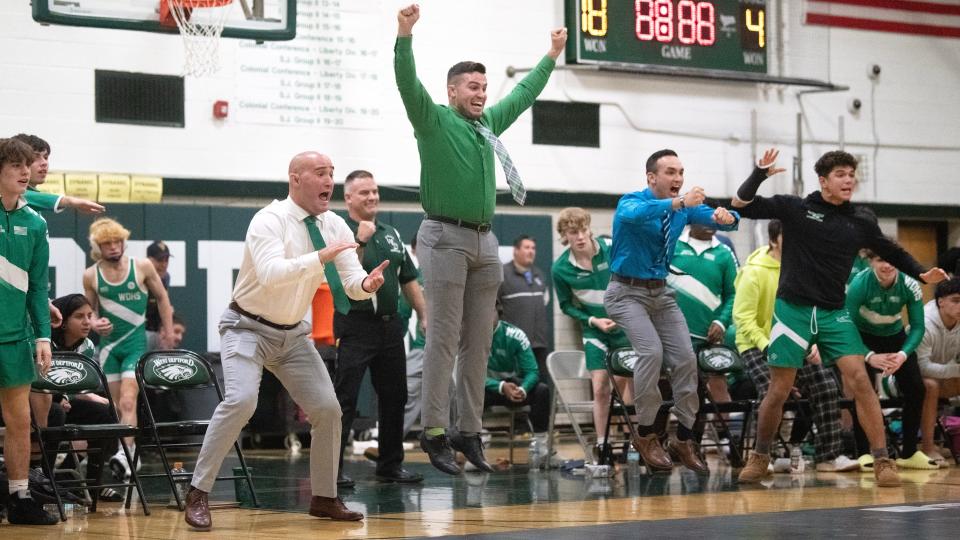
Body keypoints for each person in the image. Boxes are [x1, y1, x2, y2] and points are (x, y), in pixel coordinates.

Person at [394, 3, 567, 475]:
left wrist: (551, 55)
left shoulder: (487, 124)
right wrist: (404, 36)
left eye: (485, 87)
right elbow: (406, 83)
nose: (481, 93)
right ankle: (433, 431)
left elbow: (524, 94)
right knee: (443, 340)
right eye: (473, 86)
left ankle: (467, 431)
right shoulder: (432, 119)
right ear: (452, 91)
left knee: (480, 343)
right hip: (444, 237)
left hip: (485, 242)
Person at [183, 151, 390, 530]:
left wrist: (366, 284)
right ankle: (198, 492)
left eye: (332, 174)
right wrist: (318, 258)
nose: (329, 181)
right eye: (320, 173)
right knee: (241, 401)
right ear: (295, 178)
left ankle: (324, 497)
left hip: (293, 335)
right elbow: (271, 273)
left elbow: (350, 281)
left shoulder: (336, 226)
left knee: (328, 409)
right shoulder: (269, 219)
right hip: (247, 326)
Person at [732, 148, 947, 487]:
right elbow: (740, 205)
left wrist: (921, 273)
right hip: (793, 310)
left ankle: (882, 461)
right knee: (780, 388)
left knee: (860, 381)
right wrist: (758, 174)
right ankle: (760, 455)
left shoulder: (860, 220)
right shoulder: (796, 208)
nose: (848, 180)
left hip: (834, 312)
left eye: (851, 174)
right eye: (841, 175)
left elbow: (890, 250)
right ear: (823, 181)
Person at [603, 149, 739, 474]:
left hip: (660, 293)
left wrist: (727, 218)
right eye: (670, 172)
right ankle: (647, 434)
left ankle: (684, 436)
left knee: (686, 361)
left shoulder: (684, 210)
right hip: (625, 293)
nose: (678, 178)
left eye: (681, 172)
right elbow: (638, 216)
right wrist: (681, 203)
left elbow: (726, 222)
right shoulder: (631, 202)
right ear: (652, 177)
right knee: (650, 352)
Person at [733, 219, 858, 473]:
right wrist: (767, 345)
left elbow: (811, 311)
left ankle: (828, 456)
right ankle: (762, 456)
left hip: (796, 340)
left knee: (825, 385)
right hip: (757, 344)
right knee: (772, 389)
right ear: (774, 239)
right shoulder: (753, 271)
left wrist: (813, 341)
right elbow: (743, 318)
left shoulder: (804, 269)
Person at [334, 170, 425, 487]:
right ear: (348, 198)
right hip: (355, 325)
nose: (372, 197)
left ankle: (389, 464)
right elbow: (346, 273)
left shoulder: (392, 233)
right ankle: (332, 471)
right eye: (364, 193)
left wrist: (424, 315)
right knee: (344, 399)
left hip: (389, 328)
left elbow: (408, 279)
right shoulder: (339, 230)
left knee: (395, 397)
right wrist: (361, 238)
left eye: (374, 191)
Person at [82, 217, 175, 479]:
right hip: (110, 348)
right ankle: (129, 454)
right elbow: (88, 313)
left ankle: (127, 452)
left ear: (124, 242)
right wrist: (94, 322)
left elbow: (162, 297)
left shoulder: (142, 266)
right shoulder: (91, 275)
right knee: (113, 406)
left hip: (135, 346)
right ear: (97, 247)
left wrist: (167, 331)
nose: (112, 247)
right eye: (106, 243)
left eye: (116, 241)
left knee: (127, 398)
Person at [0, 137, 57, 525]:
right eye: (17, 165)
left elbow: (38, 287)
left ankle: (20, 495)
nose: (26, 171)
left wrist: (42, 336)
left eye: (29, 165)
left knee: (20, 420)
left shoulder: (35, 223)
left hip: (15, 337)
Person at [551, 207, 633, 458]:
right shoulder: (561, 269)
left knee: (630, 386)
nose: (580, 236)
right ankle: (602, 444)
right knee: (600, 388)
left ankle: (634, 440)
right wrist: (592, 319)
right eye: (573, 232)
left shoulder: (611, 247)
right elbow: (565, 306)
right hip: (594, 331)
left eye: (584, 229)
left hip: (625, 325)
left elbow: (633, 278)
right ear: (564, 235)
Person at [845, 250, 935, 470]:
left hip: (895, 337)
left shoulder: (910, 284)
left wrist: (903, 355)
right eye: (881, 259)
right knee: (863, 391)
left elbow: (918, 326)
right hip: (862, 337)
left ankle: (909, 453)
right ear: (871, 262)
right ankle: (865, 453)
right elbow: (846, 325)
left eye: (891, 260)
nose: (887, 265)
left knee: (917, 388)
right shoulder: (859, 285)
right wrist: (869, 356)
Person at [47, 293, 124, 502]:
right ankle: (47, 482)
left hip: (67, 400)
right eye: (79, 316)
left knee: (108, 412)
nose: (87, 322)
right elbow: (36, 380)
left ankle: (93, 483)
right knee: (55, 412)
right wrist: (57, 398)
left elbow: (77, 384)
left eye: (90, 315)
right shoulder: (45, 340)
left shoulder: (87, 346)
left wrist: (88, 398)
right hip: (40, 399)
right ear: (63, 320)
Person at [667, 224, 738, 415]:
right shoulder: (671, 245)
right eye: (705, 219)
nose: (711, 225)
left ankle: (722, 439)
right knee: (668, 391)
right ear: (691, 218)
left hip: (710, 335)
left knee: (717, 386)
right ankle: (660, 440)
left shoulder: (724, 253)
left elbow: (735, 293)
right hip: (672, 335)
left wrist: (722, 322)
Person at [483, 317, 553, 466]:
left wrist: (523, 389)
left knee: (542, 390)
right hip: (487, 387)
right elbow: (469, 374)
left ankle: (542, 446)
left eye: (491, 310)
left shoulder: (514, 334)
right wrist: (500, 386)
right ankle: (476, 441)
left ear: (498, 313)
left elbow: (533, 371)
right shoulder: (470, 335)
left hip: (515, 387)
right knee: (468, 393)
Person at [917, 277, 960, 466]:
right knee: (930, 385)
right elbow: (922, 367)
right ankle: (928, 447)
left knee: (934, 383)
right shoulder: (924, 323)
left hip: (943, 377)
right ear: (940, 302)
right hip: (902, 381)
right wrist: (957, 370)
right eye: (956, 300)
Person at [499, 235, 551, 383]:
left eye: (533, 248)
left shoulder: (539, 274)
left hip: (539, 344)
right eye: (526, 248)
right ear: (516, 251)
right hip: (514, 344)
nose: (531, 251)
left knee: (541, 386)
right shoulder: (503, 274)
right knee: (516, 386)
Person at [12, 133, 104, 215]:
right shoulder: (7, 195)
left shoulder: (35, 202)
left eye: (46, 157)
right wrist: (69, 201)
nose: (44, 163)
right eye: (36, 157)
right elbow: (16, 195)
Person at [399, 235, 426, 437]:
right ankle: (388, 443)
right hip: (422, 348)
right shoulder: (414, 279)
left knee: (455, 394)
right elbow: (403, 312)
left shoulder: (458, 272)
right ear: (415, 252)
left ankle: (458, 444)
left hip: (456, 349)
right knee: (404, 391)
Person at [145, 240, 173, 350]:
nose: (164, 264)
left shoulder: (166, 277)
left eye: (167, 260)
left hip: (156, 330)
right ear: (148, 260)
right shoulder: (139, 278)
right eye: (160, 260)